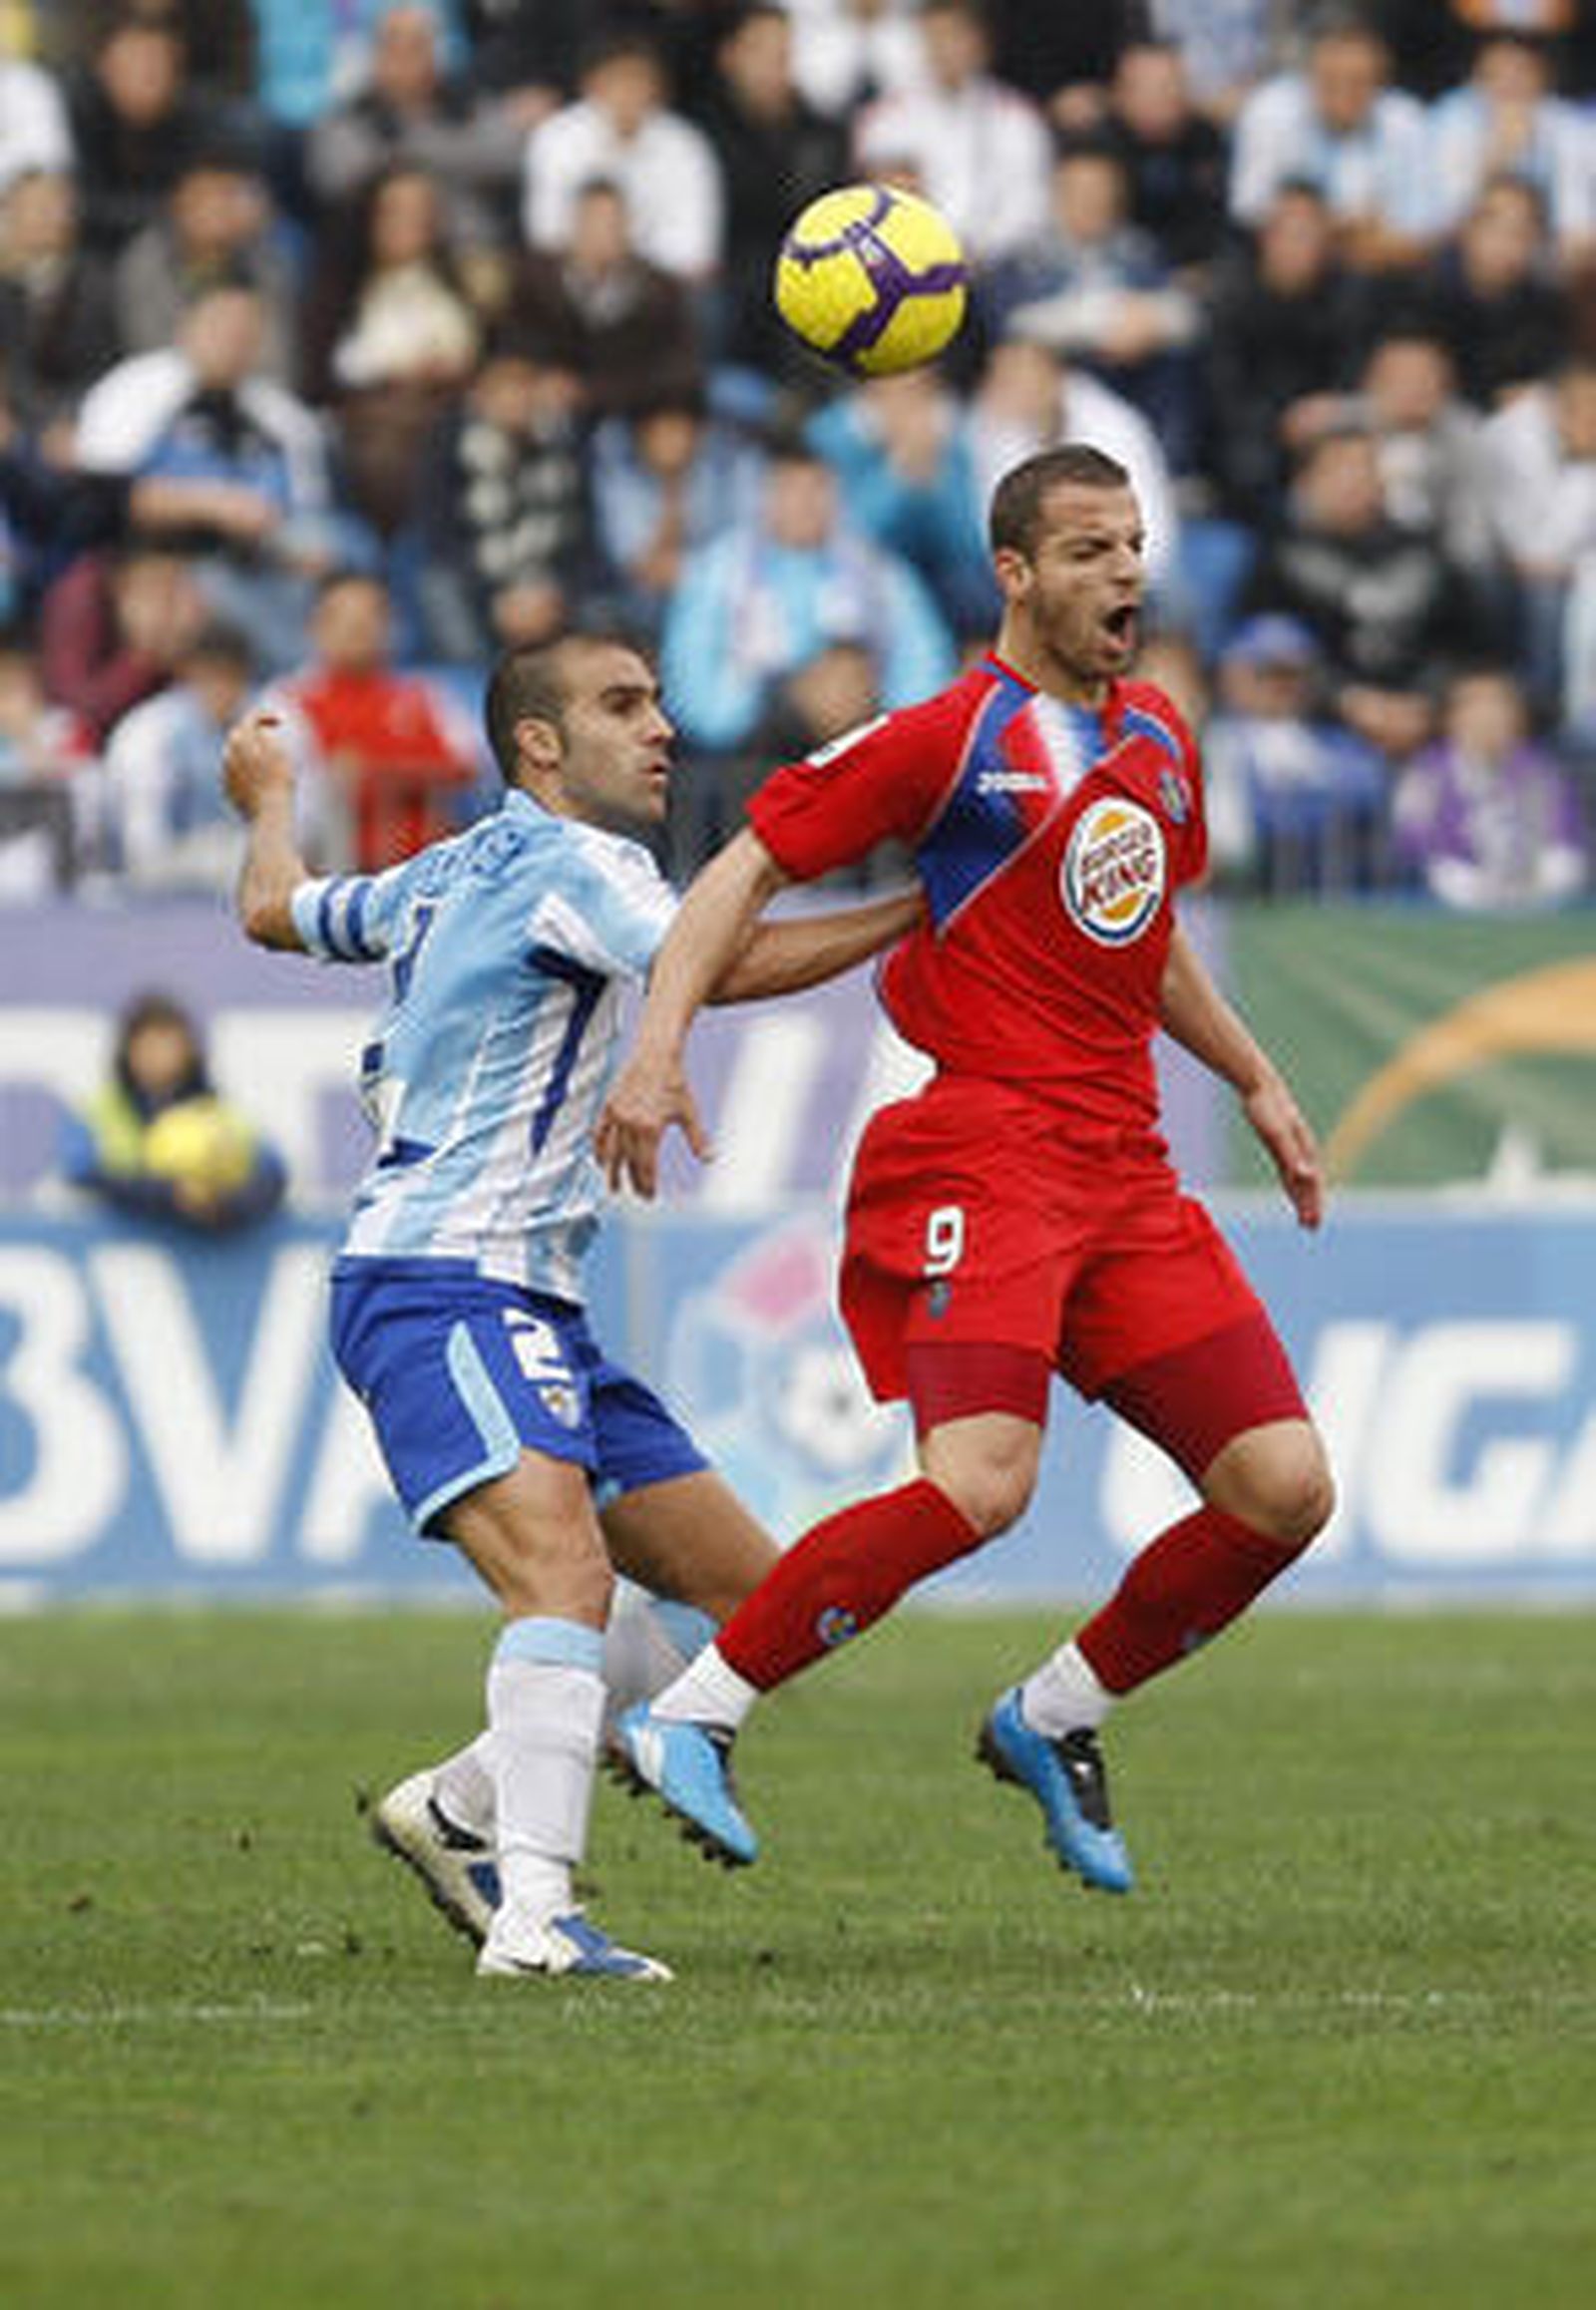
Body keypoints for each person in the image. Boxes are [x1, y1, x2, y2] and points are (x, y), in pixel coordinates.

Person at [597, 445, 1335, 1896]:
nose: (1123, 573)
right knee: (983, 1482)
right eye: (1085, 552)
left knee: (1283, 1486)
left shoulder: (1159, 737)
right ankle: (692, 1711)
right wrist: (656, 1042)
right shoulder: (946, 735)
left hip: (1124, 1167)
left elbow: (1145, 931)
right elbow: (739, 874)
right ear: (1014, 574)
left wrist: (1252, 1075)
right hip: (986, 1146)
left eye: (1132, 545)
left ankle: (1054, 1716)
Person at [220, 631, 920, 1981]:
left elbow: (276, 911)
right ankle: (535, 1921)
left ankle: (462, 1807)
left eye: (658, 699)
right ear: (539, 746)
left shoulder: (441, 872)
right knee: (566, 1580)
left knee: (752, 1598)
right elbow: (718, 961)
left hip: (527, 1297)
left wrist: (264, 804)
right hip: (446, 1277)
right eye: (622, 704)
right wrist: (922, 907)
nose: (659, 726)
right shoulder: (580, 866)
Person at [60, 988, 288, 1233]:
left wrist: (222, 1206)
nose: (158, 1057)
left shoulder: (218, 1113)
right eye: (148, 1046)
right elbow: (81, 1172)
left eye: (168, 1045)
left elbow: (273, 1173)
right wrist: (170, 1194)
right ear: (128, 1051)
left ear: (188, 1051)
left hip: (205, 1258)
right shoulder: (100, 1111)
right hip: (123, 1252)